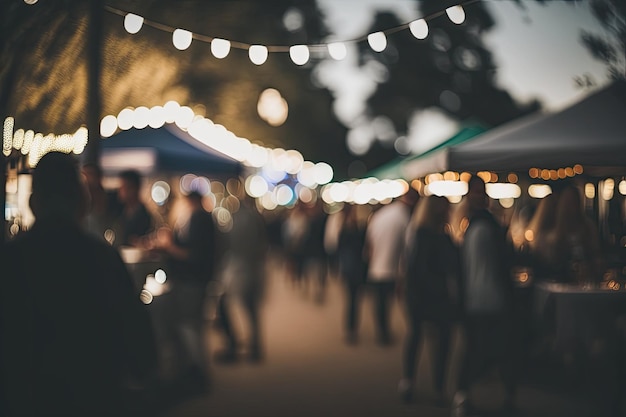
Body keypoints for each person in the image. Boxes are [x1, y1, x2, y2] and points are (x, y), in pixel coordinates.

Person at [0, 152, 157, 417]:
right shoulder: (102, 259)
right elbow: (141, 351)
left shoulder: (11, 260)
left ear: (33, 202)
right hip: (94, 399)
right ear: (82, 201)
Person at [452, 175, 517, 417]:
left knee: (479, 348)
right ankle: (471, 395)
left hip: (478, 297)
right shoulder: (484, 226)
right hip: (487, 297)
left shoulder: (473, 226)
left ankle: (465, 395)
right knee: (492, 348)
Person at [398, 195, 460, 405]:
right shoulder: (438, 237)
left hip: (416, 294)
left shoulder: (416, 233)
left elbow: (412, 267)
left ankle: (408, 381)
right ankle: (438, 387)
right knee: (442, 341)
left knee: (416, 337)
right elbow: (450, 265)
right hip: (436, 296)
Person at [153, 190, 217, 390]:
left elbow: (194, 255)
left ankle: (197, 373)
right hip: (196, 280)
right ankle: (195, 372)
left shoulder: (199, 218)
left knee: (190, 326)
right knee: (192, 325)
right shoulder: (203, 217)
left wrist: (169, 246)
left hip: (192, 280)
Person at [215, 191, 268, 363]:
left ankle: (234, 344)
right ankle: (254, 347)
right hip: (251, 267)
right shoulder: (256, 218)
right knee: (250, 308)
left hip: (239, 267)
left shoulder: (238, 218)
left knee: (225, 305)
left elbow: (229, 243)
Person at [364, 187, 419, 345]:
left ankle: (382, 333)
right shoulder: (403, 217)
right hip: (392, 270)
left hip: (376, 267)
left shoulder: (382, 214)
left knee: (380, 305)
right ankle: (386, 334)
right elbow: (408, 247)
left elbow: (369, 242)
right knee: (389, 304)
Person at [337, 203, 368, 344]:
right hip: (355, 269)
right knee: (353, 300)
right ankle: (351, 328)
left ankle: (351, 328)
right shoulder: (358, 230)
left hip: (350, 269)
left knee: (352, 300)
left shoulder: (345, 229)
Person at [114, 169, 154, 247]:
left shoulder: (144, 215)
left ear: (133, 189)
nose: (119, 191)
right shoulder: (121, 211)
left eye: (123, 187)